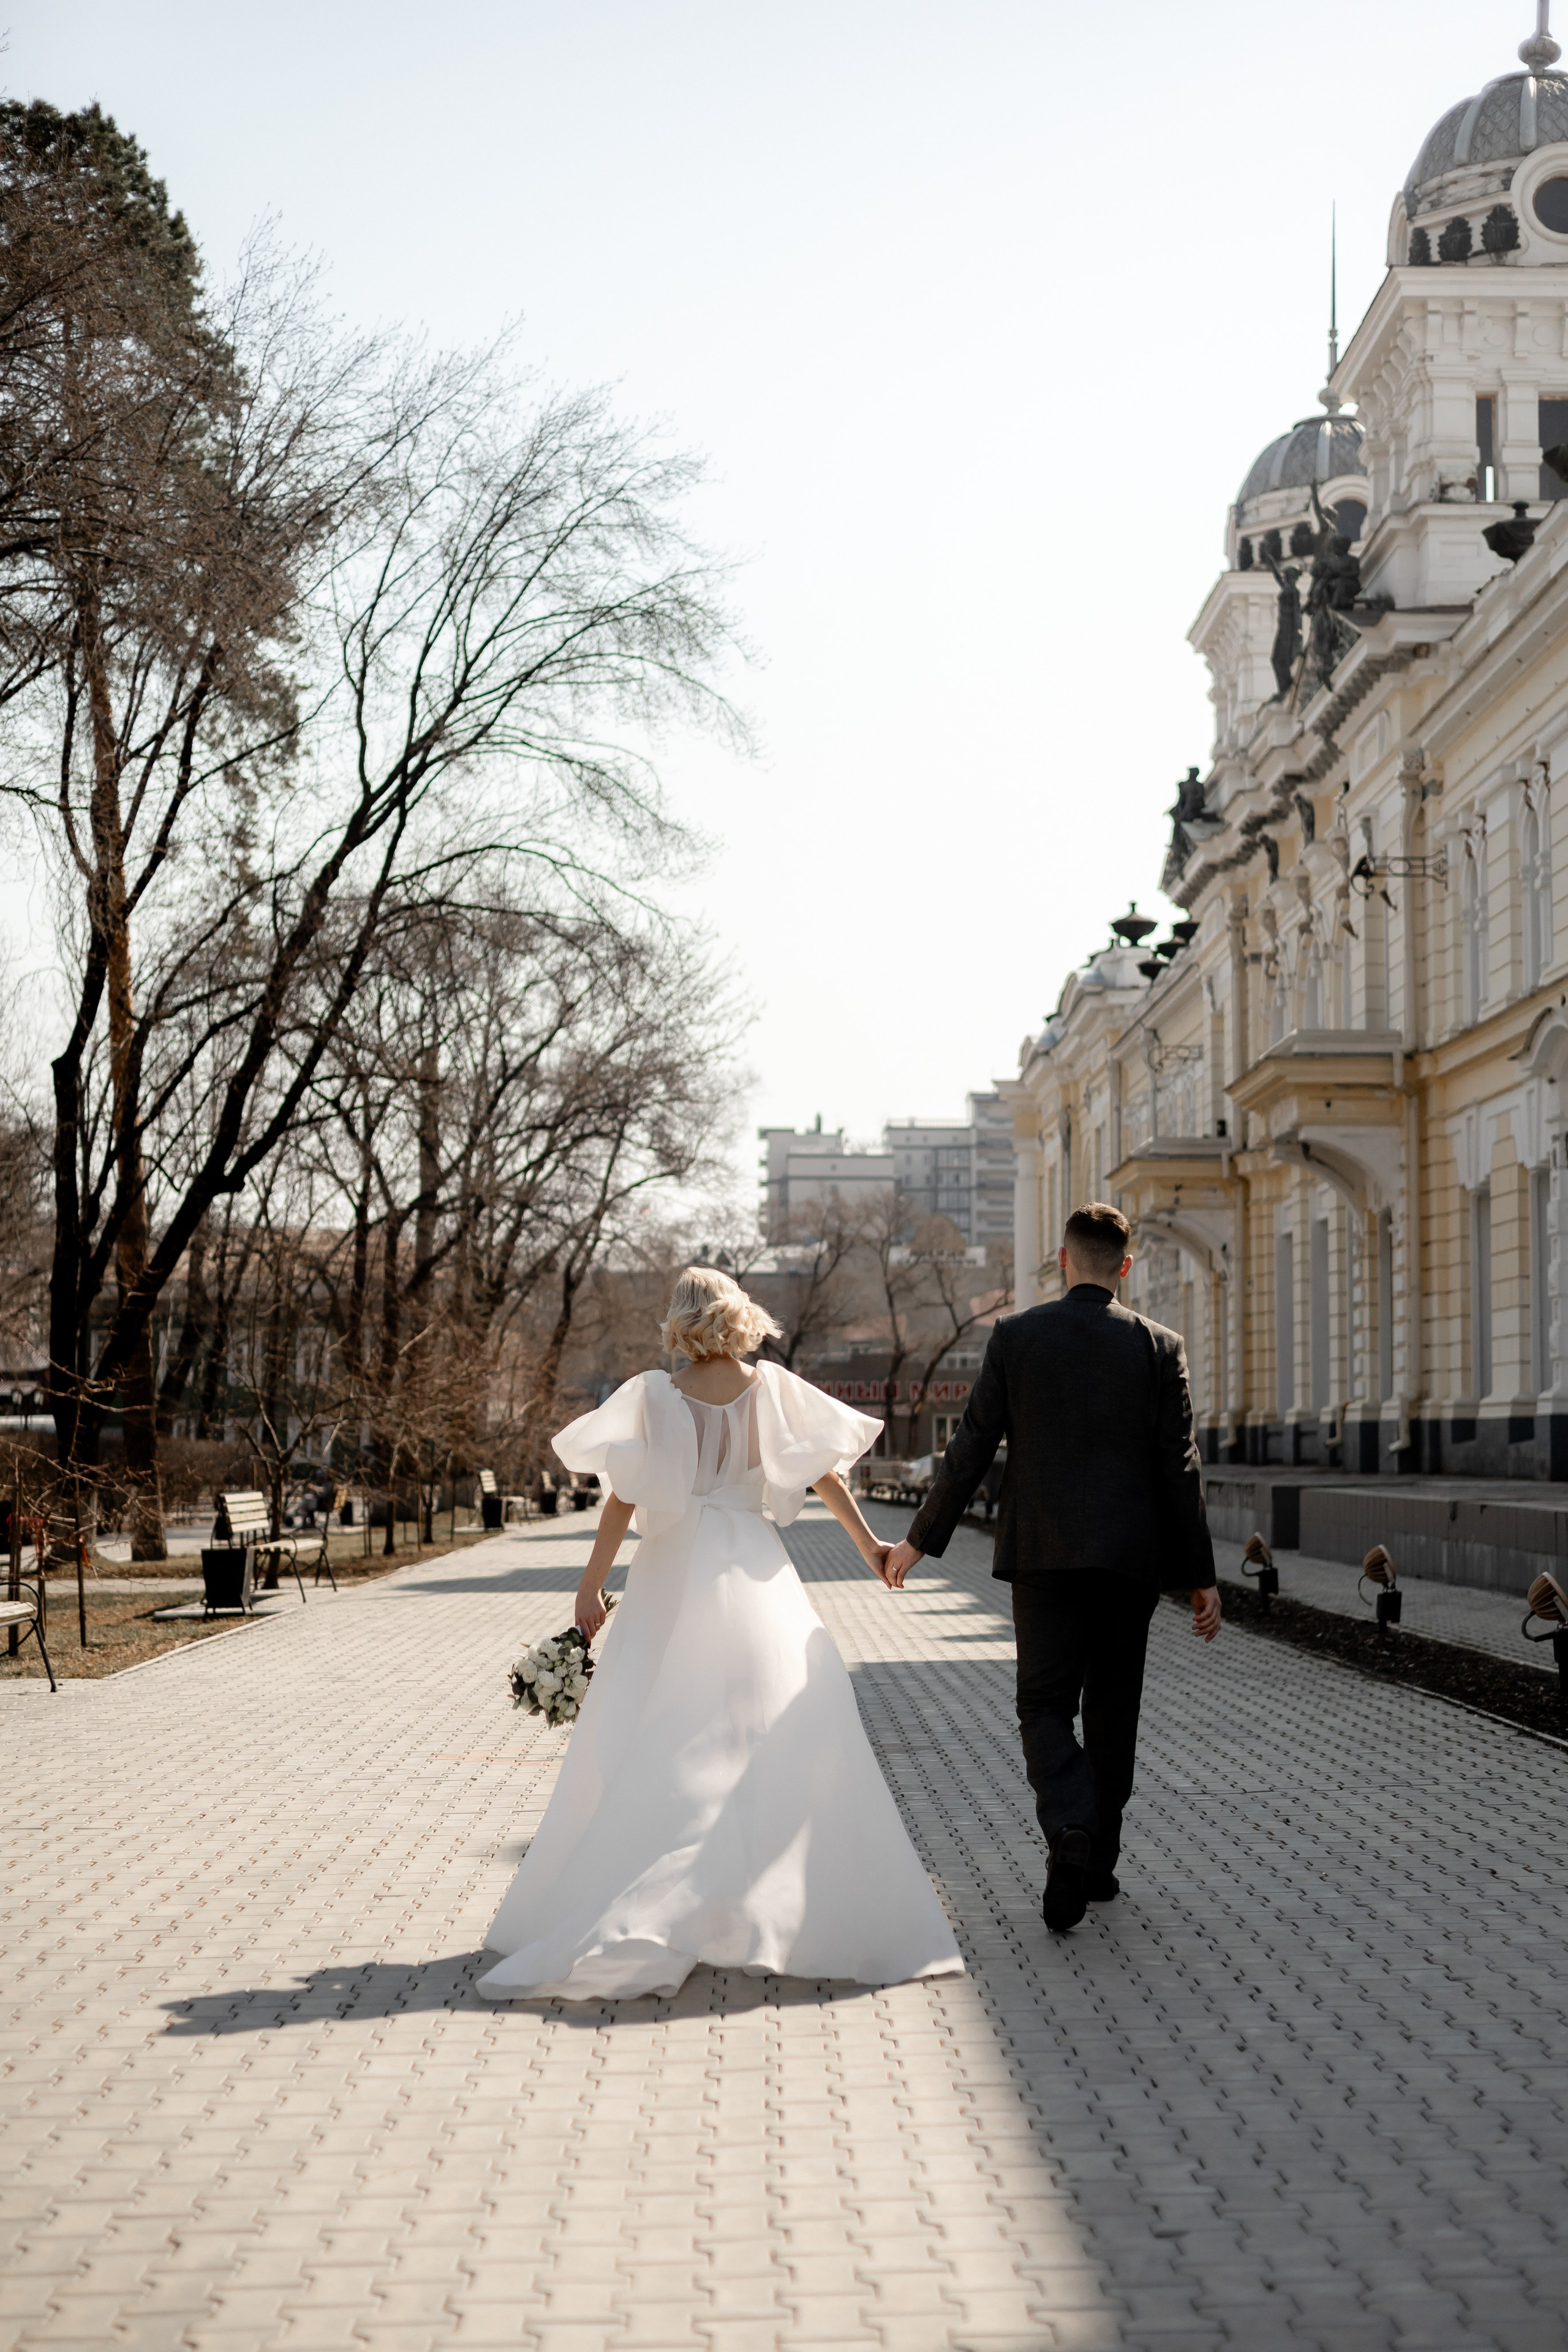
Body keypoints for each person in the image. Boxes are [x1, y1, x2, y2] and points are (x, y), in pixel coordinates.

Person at [477, 1265, 963, 2000]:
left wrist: (589, 1584)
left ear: (679, 1318)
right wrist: (869, 1549)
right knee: (757, 1733)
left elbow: (623, 1498)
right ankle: (740, 1904)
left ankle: (651, 1899)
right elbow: (824, 1474)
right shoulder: (769, 1390)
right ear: (739, 1316)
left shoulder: (654, 1395)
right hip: (754, 1571)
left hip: (670, 1574)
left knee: (657, 1732)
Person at [884, 1202, 1219, 1934]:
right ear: (1125, 1267)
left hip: (1041, 1556)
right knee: (1112, 1711)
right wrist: (1201, 1574)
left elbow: (969, 1447)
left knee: (1043, 1705)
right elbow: (1179, 1464)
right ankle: (1096, 1865)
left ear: (1063, 1261)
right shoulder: (1160, 1347)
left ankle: (1069, 1826)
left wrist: (916, 1542)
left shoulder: (1015, 1336)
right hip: (1130, 1558)